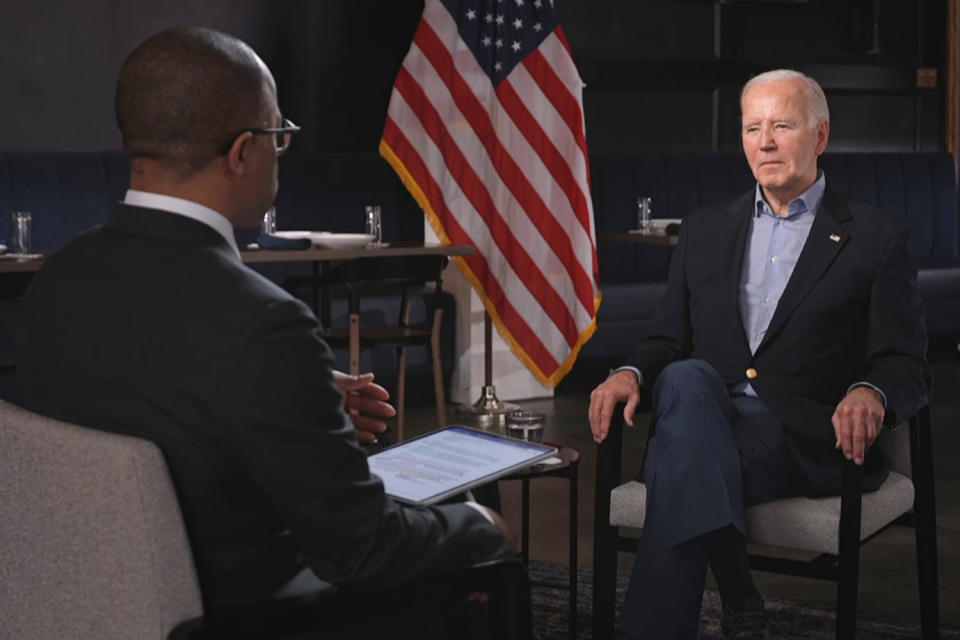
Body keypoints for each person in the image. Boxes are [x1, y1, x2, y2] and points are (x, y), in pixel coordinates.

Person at [14, 26, 515, 637]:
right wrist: (482, 525)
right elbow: (362, 552)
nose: (281, 153)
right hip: (235, 612)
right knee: (469, 540)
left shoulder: (59, 276)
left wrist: (295, 391)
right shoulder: (263, 324)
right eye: (280, 136)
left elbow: (138, 391)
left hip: (73, 603)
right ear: (243, 152)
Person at [588, 69, 932, 640]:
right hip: (705, 412)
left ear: (820, 135)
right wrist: (628, 372)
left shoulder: (876, 236)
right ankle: (738, 601)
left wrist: (871, 390)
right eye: (752, 128)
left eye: (781, 125)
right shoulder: (703, 229)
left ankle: (704, 610)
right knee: (687, 377)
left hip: (799, 436)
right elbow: (665, 340)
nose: (764, 142)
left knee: (680, 459)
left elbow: (908, 362)